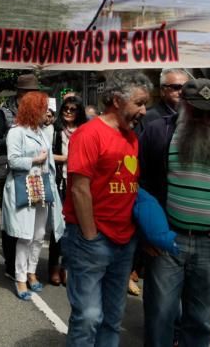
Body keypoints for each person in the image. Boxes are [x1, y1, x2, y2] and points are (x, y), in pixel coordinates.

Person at [140, 79, 210, 347]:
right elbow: (141, 184)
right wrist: (149, 232)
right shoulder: (159, 133)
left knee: (199, 318)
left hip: (208, 243)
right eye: (198, 112)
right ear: (184, 107)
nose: (205, 118)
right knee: (161, 315)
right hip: (167, 242)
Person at [63, 70, 151, 346]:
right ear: (116, 100)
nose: (144, 111)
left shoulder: (132, 137)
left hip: (124, 242)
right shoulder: (88, 134)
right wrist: (90, 236)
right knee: (88, 317)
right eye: (139, 103)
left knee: (113, 318)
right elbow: (79, 188)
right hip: (91, 240)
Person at [2, 91, 65, 300]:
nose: (47, 112)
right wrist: (35, 160)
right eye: (43, 107)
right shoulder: (16, 132)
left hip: (42, 186)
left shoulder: (41, 131)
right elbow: (12, 161)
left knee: (39, 235)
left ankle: (32, 272)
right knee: (25, 236)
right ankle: (20, 278)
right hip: (24, 186)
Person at [0, 73, 41, 278]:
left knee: (33, 222)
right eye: (30, 92)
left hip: (35, 175)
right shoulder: (4, 112)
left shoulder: (39, 112)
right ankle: (11, 263)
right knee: (12, 220)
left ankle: (28, 267)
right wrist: (18, 139)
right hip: (12, 173)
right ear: (21, 92)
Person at [49, 95, 88, 287]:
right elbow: (47, 154)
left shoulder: (85, 130)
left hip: (79, 183)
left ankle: (67, 266)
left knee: (74, 229)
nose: (68, 112)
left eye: (73, 109)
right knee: (58, 227)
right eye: (65, 108)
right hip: (60, 182)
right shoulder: (55, 130)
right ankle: (54, 266)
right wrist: (66, 158)